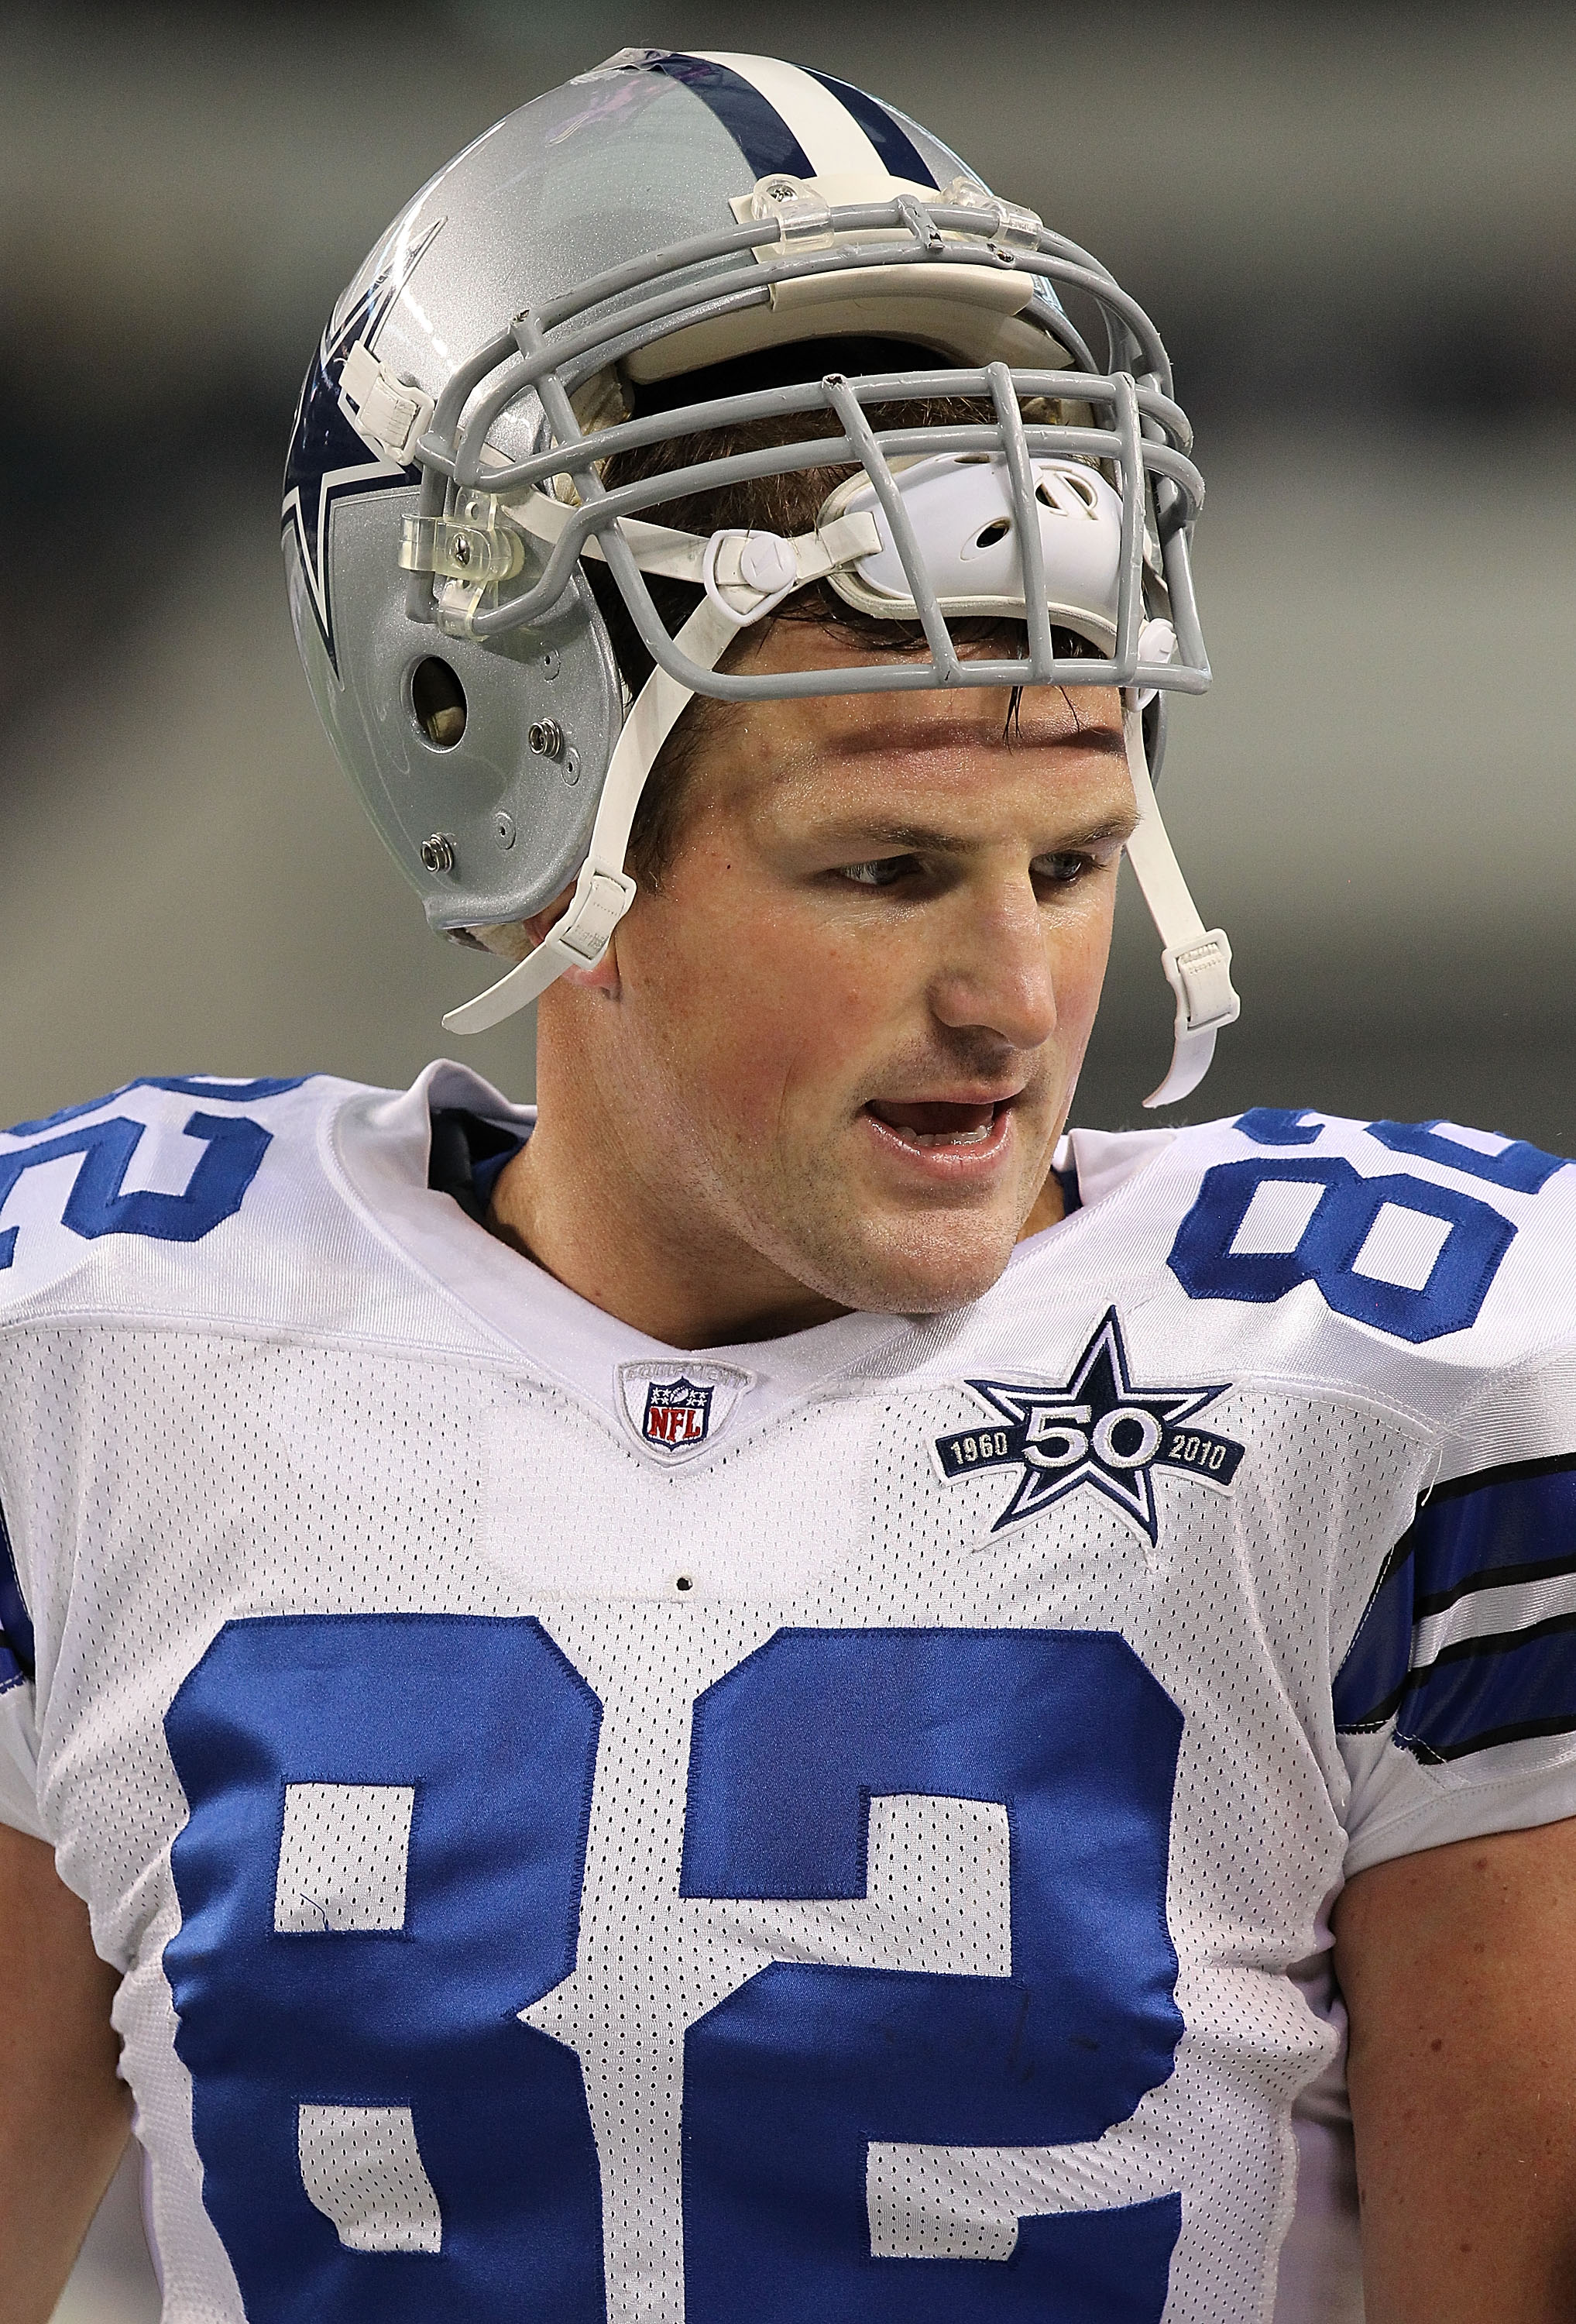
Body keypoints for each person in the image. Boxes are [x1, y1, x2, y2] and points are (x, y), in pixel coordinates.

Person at [2, 46, 1574, 2324]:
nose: (1011, 994)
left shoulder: (1405, 1385)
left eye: (1070, 863)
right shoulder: (101, 1352)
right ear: (517, 819)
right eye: (881, 868)